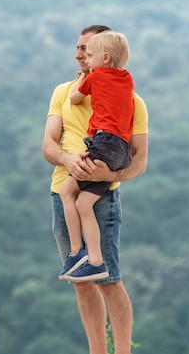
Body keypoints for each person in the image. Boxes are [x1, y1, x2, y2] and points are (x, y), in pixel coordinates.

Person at [42, 24, 148, 354]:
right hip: (62, 191)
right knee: (81, 283)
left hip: (101, 195)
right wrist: (67, 159)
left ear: (102, 54)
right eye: (78, 48)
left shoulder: (132, 102)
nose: (78, 54)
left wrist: (108, 171)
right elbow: (47, 145)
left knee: (109, 280)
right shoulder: (63, 91)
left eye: (85, 48)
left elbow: (139, 161)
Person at [58, 31, 135, 282]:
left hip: (103, 142)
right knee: (84, 204)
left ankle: (76, 253)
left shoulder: (95, 75)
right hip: (121, 151)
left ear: (104, 57)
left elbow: (75, 98)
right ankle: (95, 261)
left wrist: (83, 79)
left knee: (66, 193)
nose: (85, 59)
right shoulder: (128, 79)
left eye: (89, 55)